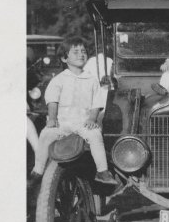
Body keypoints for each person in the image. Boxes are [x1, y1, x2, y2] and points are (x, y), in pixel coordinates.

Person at [28, 36, 117, 186]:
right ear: (64, 58)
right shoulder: (59, 79)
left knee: (95, 135)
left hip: (83, 121)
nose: (81, 55)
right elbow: (52, 101)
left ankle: (102, 171)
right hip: (63, 121)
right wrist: (52, 119)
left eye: (83, 51)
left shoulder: (92, 79)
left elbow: (97, 103)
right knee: (45, 135)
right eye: (75, 52)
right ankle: (38, 170)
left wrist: (92, 119)